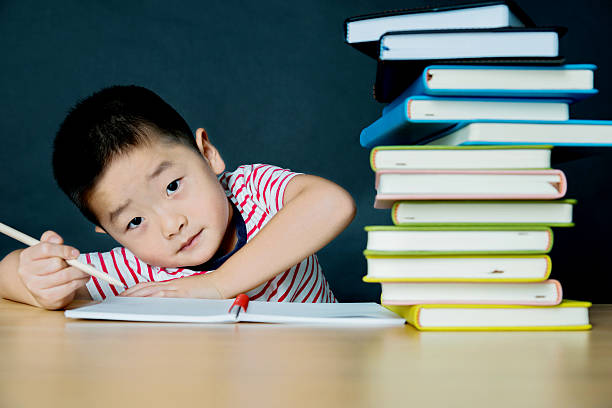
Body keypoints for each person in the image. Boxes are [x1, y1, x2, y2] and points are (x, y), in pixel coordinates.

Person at [0, 85, 356, 310]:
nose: (172, 225)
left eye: (172, 186)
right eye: (134, 222)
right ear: (107, 233)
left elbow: (331, 203)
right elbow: (6, 275)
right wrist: (34, 280)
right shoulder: (135, 272)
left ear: (208, 153)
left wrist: (215, 284)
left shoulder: (253, 190)